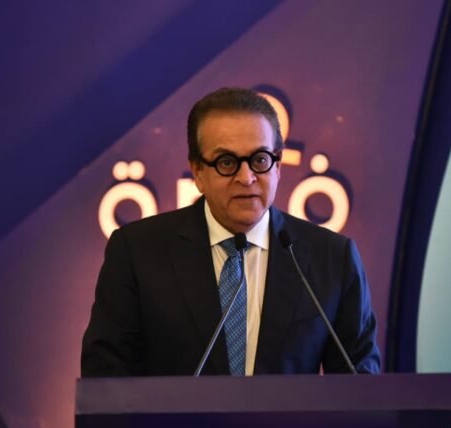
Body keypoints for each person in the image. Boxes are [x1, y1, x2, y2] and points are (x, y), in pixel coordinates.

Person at [81, 87, 381, 376]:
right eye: (227, 162)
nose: (246, 177)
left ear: (278, 167)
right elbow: (107, 379)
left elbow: (359, 385)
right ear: (197, 171)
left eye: (260, 160)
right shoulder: (138, 252)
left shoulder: (332, 258)